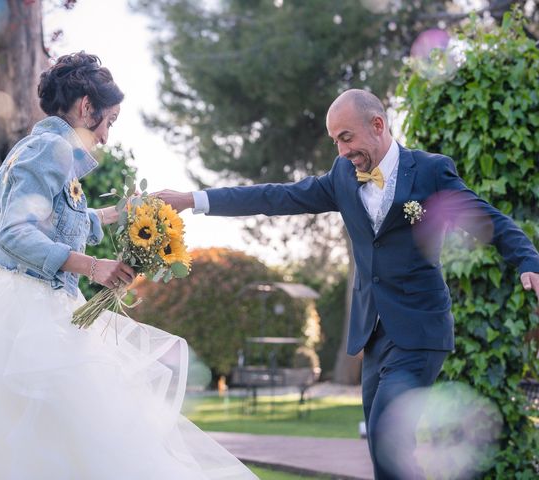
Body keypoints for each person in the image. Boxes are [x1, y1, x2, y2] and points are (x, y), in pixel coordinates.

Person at [0, 52, 256, 480]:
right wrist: (93, 266)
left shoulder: (46, 148)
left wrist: (121, 212)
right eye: (109, 120)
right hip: (30, 314)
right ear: (85, 107)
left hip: (45, 306)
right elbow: (15, 233)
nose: (108, 137)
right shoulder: (51, 148)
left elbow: (63, 220)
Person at [157, 89, 539, 479]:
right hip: (372, 332)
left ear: (378, 125)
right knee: (382, 445)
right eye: (335, 140)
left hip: (420, 329)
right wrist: (194, 198)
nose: (341, 151)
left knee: (387, 430)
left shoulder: (430, 171)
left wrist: (529, 259)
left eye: (346, 137)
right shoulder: (342, 176)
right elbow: (275, 196)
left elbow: (485, 217)